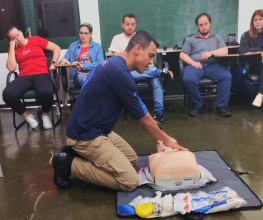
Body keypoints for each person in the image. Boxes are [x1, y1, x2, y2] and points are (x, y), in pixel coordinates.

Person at [52, 31, 187, 191]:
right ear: (137, 49)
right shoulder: (120, 73)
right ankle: (67, 163)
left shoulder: (114, 63)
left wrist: (161, 136)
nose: (151, 62)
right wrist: (166, 139)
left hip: (97, 128)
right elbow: (143, 118)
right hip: (86, 134)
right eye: (150, 56)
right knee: (129, 181)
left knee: (131, 158)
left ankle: (77, 153)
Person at [109, 13, 174, 128]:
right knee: (156, 74)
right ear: (122, 25)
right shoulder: (117, 39)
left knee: (156, 80)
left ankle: (158, 115)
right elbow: (118, 61)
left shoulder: (142, 39)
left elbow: (150, 60)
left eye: (133, 24)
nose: (130, 27)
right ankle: (160, 72)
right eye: (127, 24)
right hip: (127, 72)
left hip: (145, 70)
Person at [3, 26, 60, 129]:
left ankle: (45, 115)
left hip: (41, 73)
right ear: (10, 40)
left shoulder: (35, 40)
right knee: (7, 94)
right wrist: (11, 47)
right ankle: (27, 116)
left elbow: (56, 48)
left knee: (46, 91)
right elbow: (12, 68)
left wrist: (54, 61)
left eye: (18, 34)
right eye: (13, 38)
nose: (18, 38)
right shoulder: (13, 49)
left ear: (21, 32)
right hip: (24, 76)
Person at [180, 13, 232, 117]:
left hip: (213, 66)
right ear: (197, 26)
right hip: (195, 66)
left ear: (210, 23)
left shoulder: (217, 38)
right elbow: (182, 55)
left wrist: (211, 53)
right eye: (201, 25)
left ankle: (221, 107)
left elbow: (225, 51)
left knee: (227, 76)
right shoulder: (191, 39)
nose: (204, 27)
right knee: (187, 79)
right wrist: (193, 63)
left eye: (206, 24)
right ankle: (197, 106)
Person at [60, 23, 104, 88]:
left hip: (94, 74)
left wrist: (83, 66)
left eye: (86, 33)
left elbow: (100, 63)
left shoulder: (97, 47)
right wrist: (65, 61)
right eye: (81, 33)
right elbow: (63, 62)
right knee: (83, 78)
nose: (83, 36)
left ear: (91, 34)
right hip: (78, 76)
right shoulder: (73, 46)